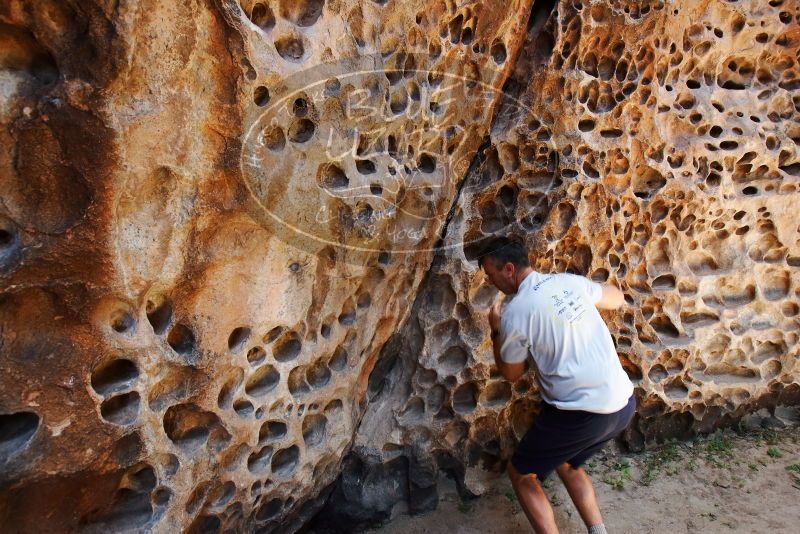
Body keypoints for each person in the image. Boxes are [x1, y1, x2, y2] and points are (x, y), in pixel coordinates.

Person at [478, 236, 635, 534]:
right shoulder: (568, 282)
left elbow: (512, 373)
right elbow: (616, 297)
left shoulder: (514, 312)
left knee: (522, 474)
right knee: (567, 462)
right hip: (623, 404)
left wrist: (496, 330)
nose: (490, 281)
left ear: (509, 269)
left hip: (579, 414)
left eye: (491, 274)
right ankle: (598, 531)